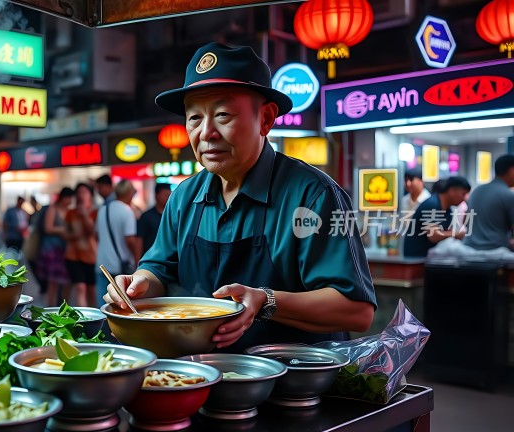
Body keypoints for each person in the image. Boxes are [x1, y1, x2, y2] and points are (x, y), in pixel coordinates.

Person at [103, 42, 376, 351]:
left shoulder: (313, 195)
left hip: (293, 382)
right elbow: (159, 269)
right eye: (194, 118)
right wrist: (138, 284)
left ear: (266, 118)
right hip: (202, 372)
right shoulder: (184, 196)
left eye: (223, 114)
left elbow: (357, 311)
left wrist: (266, 300)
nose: (206, 133)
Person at [96, 180, 140, 308]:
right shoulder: (127, 211)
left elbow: (97, 235)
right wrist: (137, 260)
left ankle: (102, 327)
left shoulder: (102, 209)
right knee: (121, 304)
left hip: (102, 262)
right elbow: (130, 240)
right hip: (122, 266)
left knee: (103, 304)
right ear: (129, 193)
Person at [403, 176, 471, 258]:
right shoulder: (432, 204)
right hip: (416, 259)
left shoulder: (448, 211)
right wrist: (456, 234)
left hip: (430, 259)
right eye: (463, 194)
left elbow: (446, 234)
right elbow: (433, 235)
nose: (465, 198)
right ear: (452, 190)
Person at [464, 155, 514, 251]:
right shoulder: (508, 195)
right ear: (511, 170)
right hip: (496, 251)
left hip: (469, 249)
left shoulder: (476, 191)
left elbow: (465, 221)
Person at [37, 187, 74, 307]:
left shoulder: (69, 211)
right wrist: (62, 230)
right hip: (51, 250)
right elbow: (48, 228)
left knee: (65, 281)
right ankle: (50, 308)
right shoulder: (53, 209)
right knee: (53, 283)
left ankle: (62, 308)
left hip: (64, 250)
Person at [64, 183, 98, 307]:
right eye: (78, 192)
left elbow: (92, 231)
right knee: (80, 287)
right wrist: (73, 236)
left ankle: (94, 317)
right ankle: (83, 319)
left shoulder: (95, 212)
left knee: (91, 290)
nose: (81, 195)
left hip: (91, 255)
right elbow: (65, 233)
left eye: (84, 192)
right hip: (73, 255)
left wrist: (84, 215)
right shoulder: (71, 213)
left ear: (90, 195)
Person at [137, 183, 172, 256]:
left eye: (170, 195)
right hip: (151, 258)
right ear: (157, 196)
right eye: (165, 195)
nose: (168, 197)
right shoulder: (147, 216)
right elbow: (139, 240)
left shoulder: (173, 216)